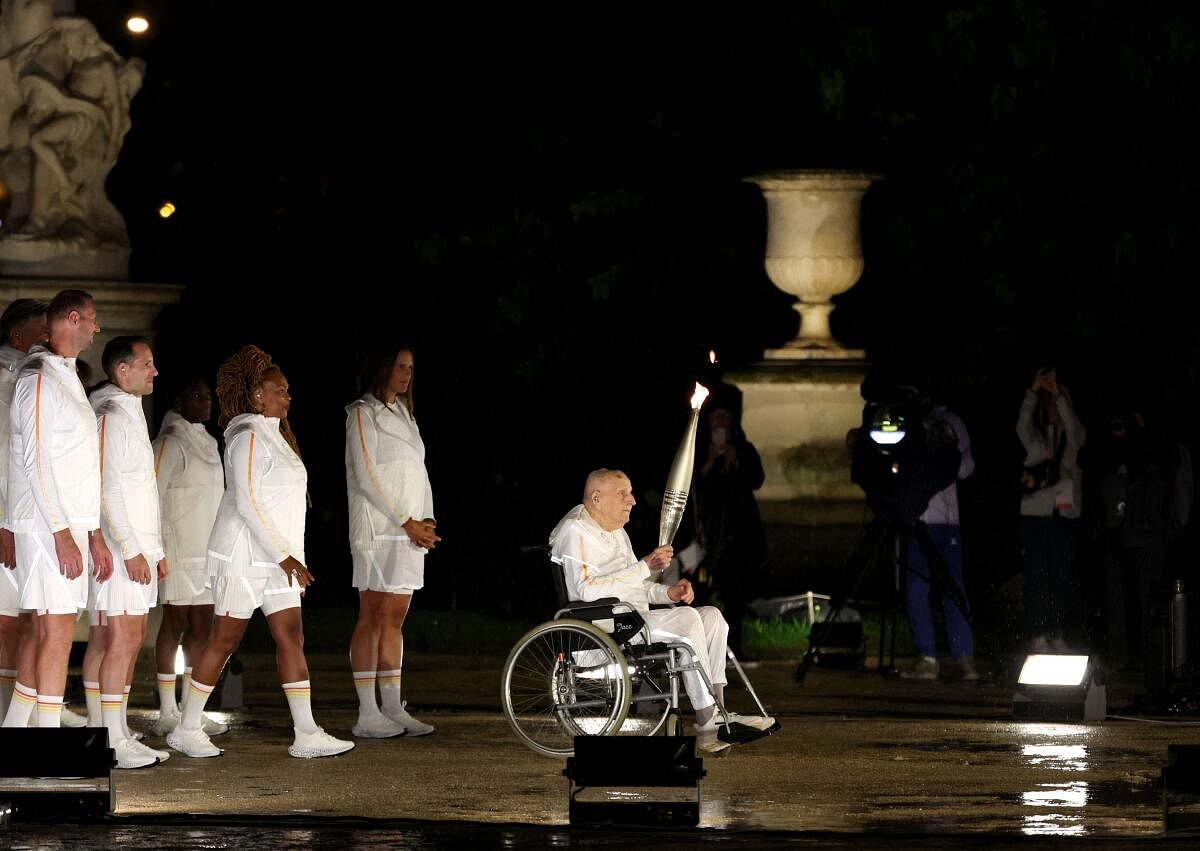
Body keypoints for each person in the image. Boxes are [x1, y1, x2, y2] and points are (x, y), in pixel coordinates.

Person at [167, 346, 353, 759]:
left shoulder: (277, 435)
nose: (289, 397)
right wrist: (283, 556)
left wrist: (293, 560)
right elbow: (248, 501)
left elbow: (287, 511)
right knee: (225, 637)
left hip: (277, 558)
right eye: (280, 390)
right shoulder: (245, 435)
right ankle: (186, 726)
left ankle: (306, 733)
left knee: (291, 635)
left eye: (288, 390)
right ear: (256, 395)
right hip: (242, 556)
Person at [549, 469, 774, 755]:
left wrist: (668, 593)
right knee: (687, 620)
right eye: (623, 494)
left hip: (631, 619)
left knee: (712, 617)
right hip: (602, 629)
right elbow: (588, 592)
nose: (632, 500)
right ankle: (708, 720)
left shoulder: (616, 532)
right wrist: (645, 566)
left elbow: (635, 586)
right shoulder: (575, 530)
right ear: (596, 498)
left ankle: (718, 713)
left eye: (631, 492)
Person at [1, 289, 112, 729]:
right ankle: (44, 742)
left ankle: (16, 734)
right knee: (56, 632)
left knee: (49, 631)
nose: (96, 327)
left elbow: (79, 465)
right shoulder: (39, 377)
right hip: (46, 526)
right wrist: (62, 533)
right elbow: (35, 460)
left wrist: (94, 533)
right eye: (92, 318)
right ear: (72, 318)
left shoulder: (62, 374)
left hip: (66, 523)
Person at [81, 337, 169, 768]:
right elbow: (109, 488)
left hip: (135, 548)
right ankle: (111, 738)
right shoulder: (113, 415)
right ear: (122, 371)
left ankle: (111, 731)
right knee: (123, 638)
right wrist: (133, 550)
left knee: (118, 640)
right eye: (147, 364)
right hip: (120, 551)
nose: (155, 372)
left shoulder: (128, 412)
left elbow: (141, 489)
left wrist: (155, 549)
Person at [346, 346, 438, 738]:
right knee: (374, 614)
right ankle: (367, 713)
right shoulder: (361, 414)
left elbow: (419, 472)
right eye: (400, 366)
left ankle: (391, 705)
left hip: (411, 532)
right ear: (382, 366)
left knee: (395, 618)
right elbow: (366, 476)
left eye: (411, 368)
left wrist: (428, 518)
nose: (406, 374)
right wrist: (404, 520)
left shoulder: (405, 415)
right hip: (380, 530)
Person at [150, 378, 228, 737]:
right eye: (197, 394)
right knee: (174, 623)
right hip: (179, 549)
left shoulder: (210, 442)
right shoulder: (170, 440)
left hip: (208, 550)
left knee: (202, 629)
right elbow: (152, 492)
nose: (206, 400)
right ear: (179, 400)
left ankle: (190, 711)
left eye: (208, 395)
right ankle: (167, 708)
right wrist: (157, 548)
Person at [899, 398, 978, 680]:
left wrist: (940, 460)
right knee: (917, 588)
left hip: (947, 523)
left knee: (953, 587)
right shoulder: (909, 420)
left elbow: (967, 466)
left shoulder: (952, 421)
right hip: (919, 520)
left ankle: (965, 656)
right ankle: (928, 658)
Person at [0, 299, 48, 720]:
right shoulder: (6, 379)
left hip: (30, 517)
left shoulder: (35, 375)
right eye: (41, 330)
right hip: (9, 519)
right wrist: (5, 525)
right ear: (18, 336)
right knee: (9, 621)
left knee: (31, 618)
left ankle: (25, 709)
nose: (48, 337)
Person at [1017, 364, 1087, 651]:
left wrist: (1060, 395)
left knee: (1060, 576)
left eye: (1060, 401)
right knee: (1036, 575)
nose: (1056, 406)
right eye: (1053, 402)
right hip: (1034, 515)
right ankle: (1037, 633)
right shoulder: (1037, 438)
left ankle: (1057, 632)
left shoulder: (1074, 437)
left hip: (1064, 515)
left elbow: (1075, 432)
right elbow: (1020, 426)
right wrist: (1034, 392)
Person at [694, 406, 768, 657]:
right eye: (715, 421)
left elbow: (756, 480)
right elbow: (695, 486)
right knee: (702, 590)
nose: (720, 426)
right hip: (711, 534)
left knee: (736, 593)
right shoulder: (701, 449)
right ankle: (702, 648)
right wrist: (711, 461)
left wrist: (735, 460)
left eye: (724, 420)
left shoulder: (743, 448)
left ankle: (734, 647)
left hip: (740, 532)